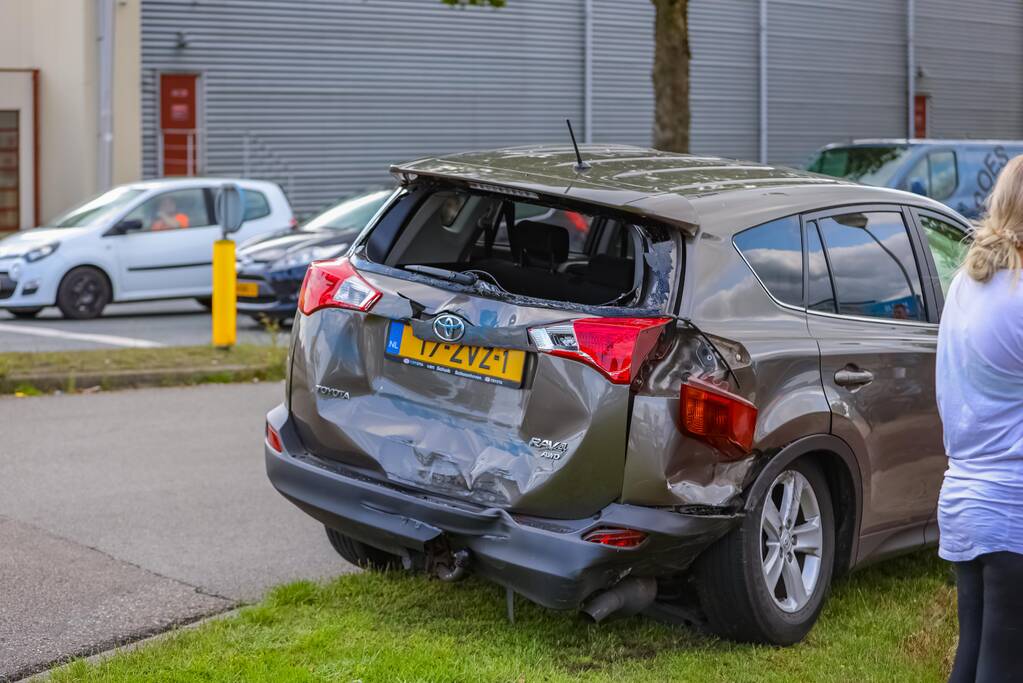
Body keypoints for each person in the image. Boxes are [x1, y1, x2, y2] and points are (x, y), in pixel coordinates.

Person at [936, 154, 1023, 683]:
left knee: (971, 659)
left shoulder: (970, 281)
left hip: (964, 499)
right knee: (1004, 667)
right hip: (1011, 505)